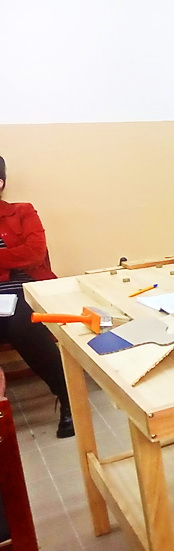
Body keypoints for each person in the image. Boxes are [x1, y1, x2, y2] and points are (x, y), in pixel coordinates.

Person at [0, 156, 73, 438]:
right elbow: (22, 254)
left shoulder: (22, 212)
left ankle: (68, 397)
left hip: (23, 289)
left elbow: (34, 253)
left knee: (22, 325)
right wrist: (10, 257)